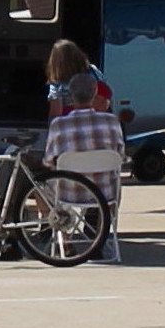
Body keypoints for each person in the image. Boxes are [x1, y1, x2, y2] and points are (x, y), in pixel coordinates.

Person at [44, 71, 124, 264]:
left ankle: (66, 242)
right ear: (95, 92)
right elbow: (120, 155)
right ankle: (99, 238)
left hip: (68, 193)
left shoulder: (59, 125)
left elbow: (48, 160)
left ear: (70, 96)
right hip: (105, 193)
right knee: (114, 181)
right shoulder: (111, 122)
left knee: (38, 184)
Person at [45, 38, 111, 118]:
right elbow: (106, 91)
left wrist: (52, 125)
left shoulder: (57, 81)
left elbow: (56, 112)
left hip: (69, 122)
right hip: (94, 117)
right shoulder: (93, 71)